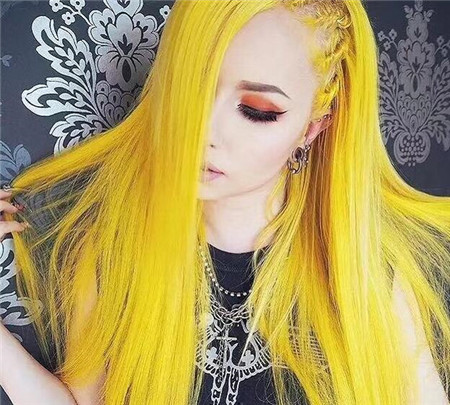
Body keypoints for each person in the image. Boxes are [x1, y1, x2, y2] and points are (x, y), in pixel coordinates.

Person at [0, 0, 449, 404]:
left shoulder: (364, 271)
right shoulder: (114, 247)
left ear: (312, 128)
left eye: (256, 110)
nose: (203, 131)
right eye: (191, 89)